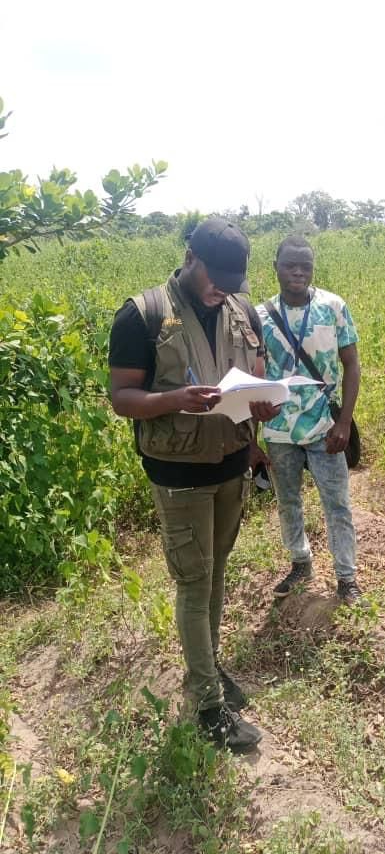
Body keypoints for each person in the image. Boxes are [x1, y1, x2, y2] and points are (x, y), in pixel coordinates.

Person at [108, 218, 279, 754]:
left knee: (216, 573)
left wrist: (264, 404)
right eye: (215, 276)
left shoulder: (241, 311)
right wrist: (173, 399)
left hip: (230, 462)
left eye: (233, 279)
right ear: (190, 257)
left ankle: (205, 668)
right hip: (179, 473)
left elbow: (254, 372)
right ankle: (208, 705)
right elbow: (122, 397)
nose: (222, 288)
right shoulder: (143, 315)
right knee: (193, 580)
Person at [256, 235, 363, 604]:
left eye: (305, 265)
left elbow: (351, 364)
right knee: (288, 501)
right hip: (279, 429)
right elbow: (254, 374)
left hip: (325, 427)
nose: (298, 272)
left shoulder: (333, 306)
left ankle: (346, 577)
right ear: (276, 267)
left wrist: (344, 422)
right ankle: (300, 561)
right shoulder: (259, 316)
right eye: (290, 264)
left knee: (338, 503)